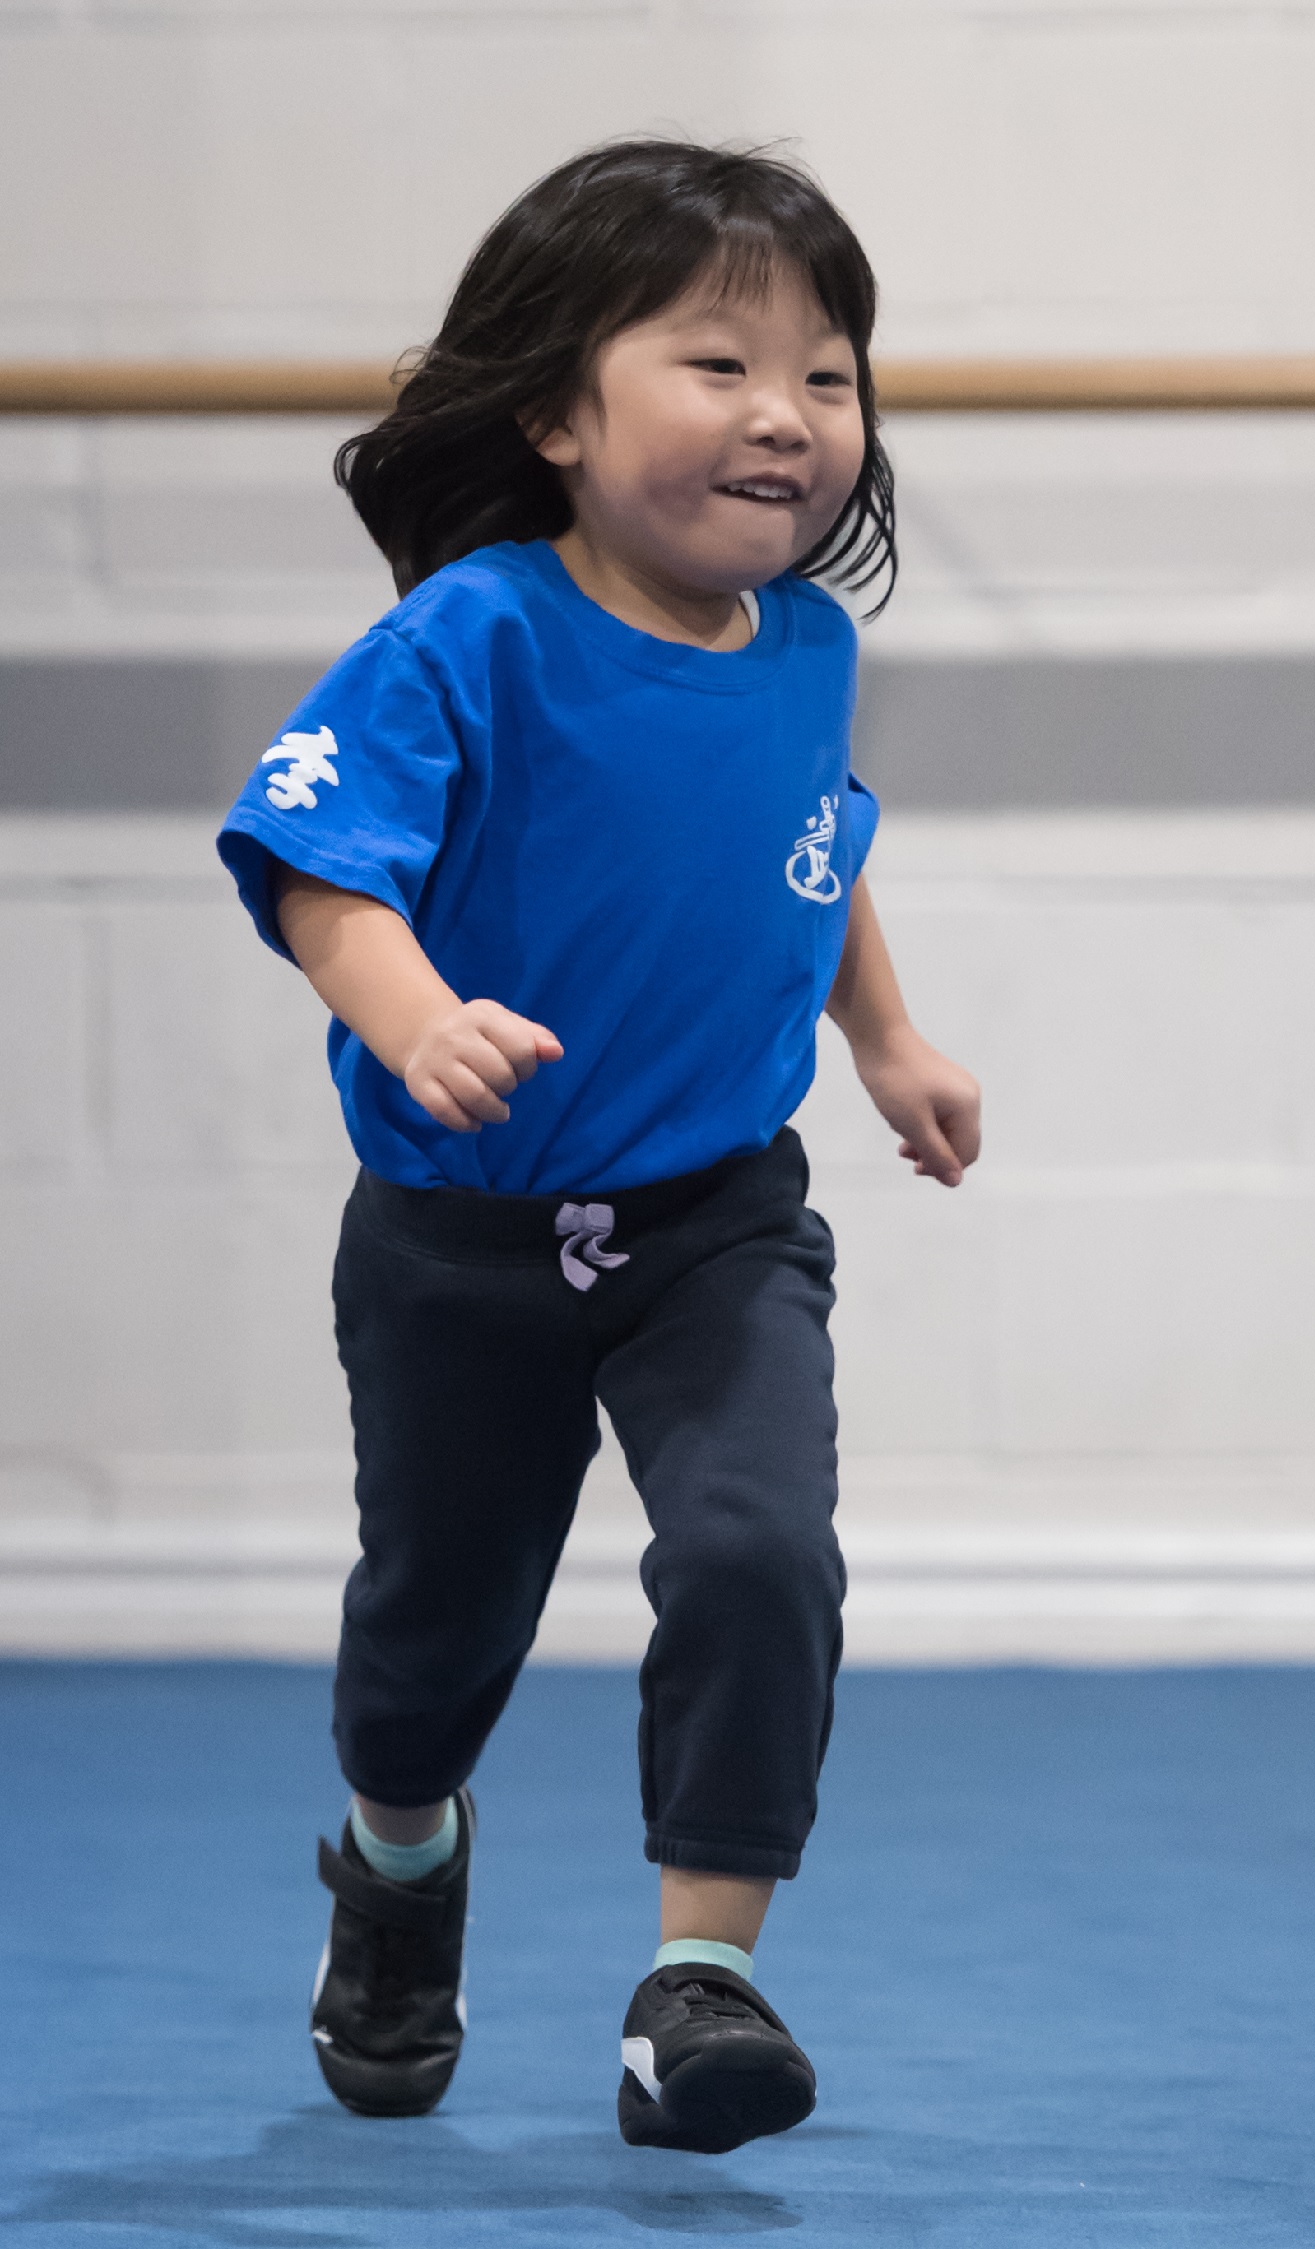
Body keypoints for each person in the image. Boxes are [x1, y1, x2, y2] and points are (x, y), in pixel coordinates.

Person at [218, 138, 980, 2155]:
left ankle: (699, 1982)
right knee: (433, 1631)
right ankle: (395, 1864)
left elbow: (809, 854)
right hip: (463, 1237)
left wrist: (885, 1038)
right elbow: (315, 859)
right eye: (718, 364)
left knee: (757, 1553)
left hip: (718, 1217)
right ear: (558, 413)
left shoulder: (804, 647)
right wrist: (412, 1013)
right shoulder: (472, 637)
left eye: (826, 377)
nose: (786, 417)